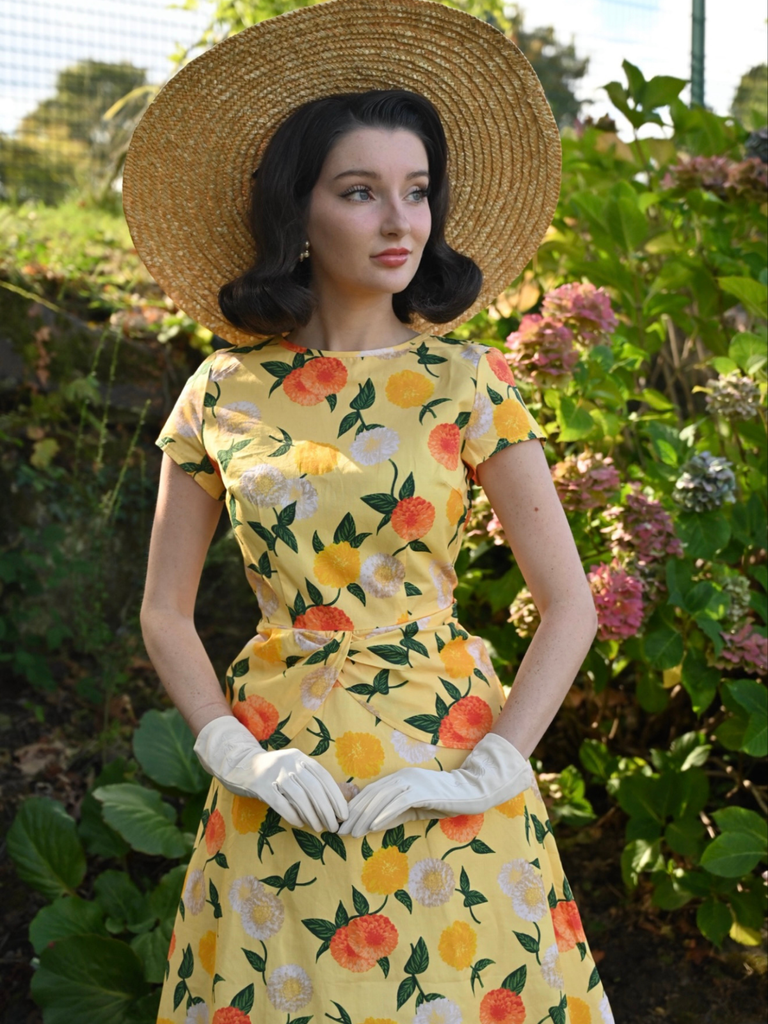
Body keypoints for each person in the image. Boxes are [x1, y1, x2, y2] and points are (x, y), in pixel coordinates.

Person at [128, 2, 615, 1021]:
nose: (400, 222)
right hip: (279, 775)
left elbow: (570, 604)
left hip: (447, 767)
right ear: (296, 213)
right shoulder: (221, 390)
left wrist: (489, 766)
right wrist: (229, 746)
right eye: (361, 192)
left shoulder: (468, 378)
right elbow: (163, 612)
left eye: (417, 191)